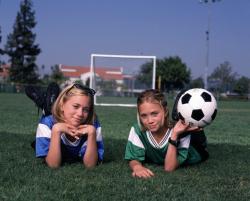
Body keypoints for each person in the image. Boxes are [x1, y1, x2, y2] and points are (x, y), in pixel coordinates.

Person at [124, 89, 208, 178]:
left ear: (165, 111)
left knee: (192, 129)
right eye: (144, 116)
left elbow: (169, 167)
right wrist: (137, 167)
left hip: (197, 150)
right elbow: (134, 157)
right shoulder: (138, 130)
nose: (150, 121)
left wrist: (175, 134)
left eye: (154, 114)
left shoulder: (181, 131)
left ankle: (197, 129)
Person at [33, 83, 104, 168]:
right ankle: (47, 106)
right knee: (48, 114)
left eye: (86, 109)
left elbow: (90, 165)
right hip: (53, 123)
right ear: (62, 105)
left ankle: (49, 105)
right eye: (75, 106)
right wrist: (56, 130)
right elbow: (53, 165)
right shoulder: (47, 123)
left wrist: (92, 133)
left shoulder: (93, 124)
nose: (80, 114)